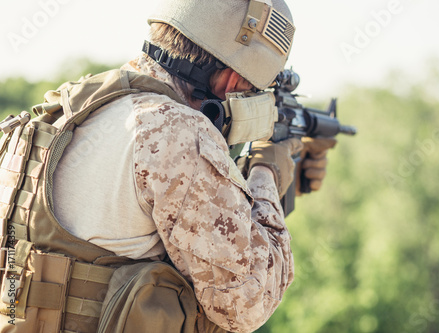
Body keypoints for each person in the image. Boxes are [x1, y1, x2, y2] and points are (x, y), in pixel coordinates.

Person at [0, 0, 335, 332]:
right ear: (232, 83)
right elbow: (248, 300)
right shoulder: (176, 130)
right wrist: (267, 175)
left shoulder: (70, 106)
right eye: (254, 91)